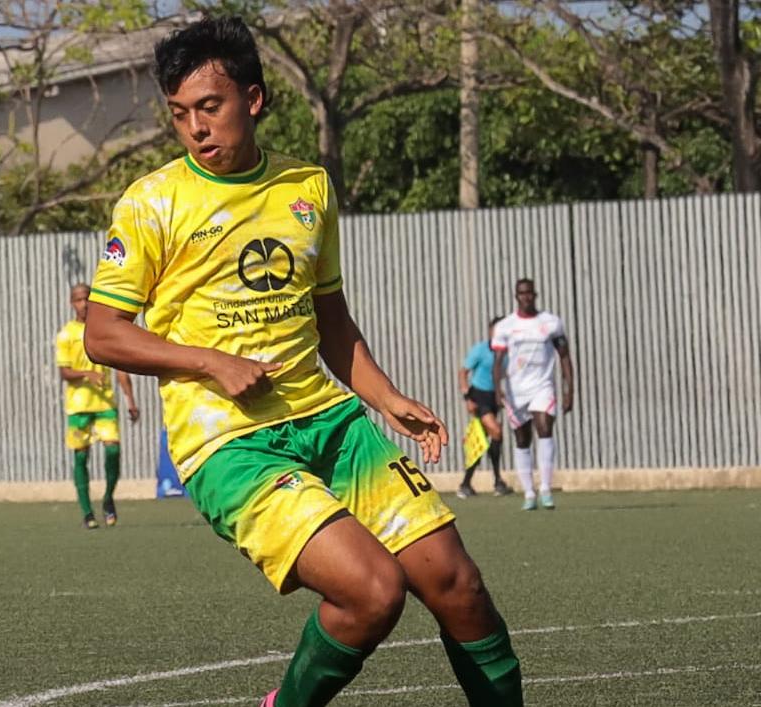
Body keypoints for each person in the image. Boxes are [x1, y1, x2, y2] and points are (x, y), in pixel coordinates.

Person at [82, 17, 522, 707]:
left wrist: (385, 395)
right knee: (373, 592)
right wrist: (209, 362)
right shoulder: (152, 202)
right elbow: (102, 334)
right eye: (180, 114)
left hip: (332, 422)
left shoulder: (309, 188)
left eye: (209, 107)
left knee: (457, 584)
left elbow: (332, 321)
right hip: (228, 443)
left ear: (252, 101)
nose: (195, 127)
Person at [55, 283, 140, 528]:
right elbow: (64, 372)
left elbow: (120, 367)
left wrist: (130, 400)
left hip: (105, 404)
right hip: (79, 406)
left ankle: (108, 499)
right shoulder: (66, 334)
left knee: (113, 450)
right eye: (78, 299)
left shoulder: (102, 332)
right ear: (72, 303)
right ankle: (87, 513)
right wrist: (86, 375)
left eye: (87, 298)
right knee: (81, 457)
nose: (83, 303)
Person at [490, 279, 574, 511]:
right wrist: (498, 390)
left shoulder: (551, 323)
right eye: (521, 294)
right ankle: (529, 492)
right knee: (522, 438)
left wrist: (569, 390)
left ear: (535, 295)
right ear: (516, 296)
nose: (526, 297)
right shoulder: (505, 326)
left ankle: (546, 489)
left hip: (542, 386)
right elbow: (497, 362)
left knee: (545, 429)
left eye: (529, 293)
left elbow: (564, 356)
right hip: (517, 390)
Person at [458, 317, 513, 498]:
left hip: (492, 397)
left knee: (481, 441)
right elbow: (463, 372)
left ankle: (466, 484)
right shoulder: (480, 350)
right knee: (496, 432)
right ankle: (497, 480)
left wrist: (502, 394)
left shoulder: (506, 353)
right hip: (479, 396)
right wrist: (467, 397)